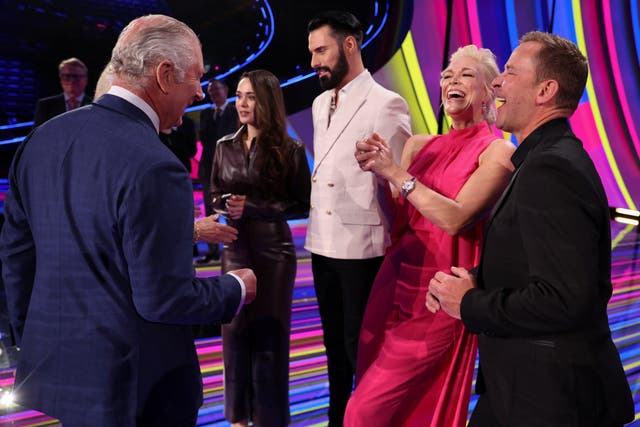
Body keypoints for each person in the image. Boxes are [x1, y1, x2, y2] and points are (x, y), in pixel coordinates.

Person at [0, 14, 257, 427]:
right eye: (196, 76)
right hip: (137, 388)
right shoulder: (157, 166)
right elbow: (165, 298)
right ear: (165, 74)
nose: (199, 91)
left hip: (61, 373)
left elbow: (17, 257)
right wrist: (236, 287)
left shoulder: (41, 140)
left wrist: (34, 340)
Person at [428, 31, 634, 427]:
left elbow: (565, 299)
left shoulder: (550, 169)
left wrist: (469, 304)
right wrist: (470, 281)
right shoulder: (544, 160)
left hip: (549, 396)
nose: (497, 83)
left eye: (509, 72)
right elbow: (537, 264)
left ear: (545, 91)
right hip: (522, 386)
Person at [343, 45, 515, 427]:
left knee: (362, 412)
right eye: (448, 75)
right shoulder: (419, 146)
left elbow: (456, 219)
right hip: (394, 286)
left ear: (488, 91)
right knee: (383, 405)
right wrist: (377, 173)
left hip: (439, 300)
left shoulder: (498, 152)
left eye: (467, 75)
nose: (453, 80)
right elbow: (397, 221)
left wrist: (395, 172)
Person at [305, 11, 412, 426]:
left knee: (362, 349)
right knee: (333, 347)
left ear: (349, 44)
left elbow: (399, 180)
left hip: (362, 248)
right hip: (322, 242)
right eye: (312, 53)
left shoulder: (387, 103)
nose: (314, 62)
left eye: (321, 51)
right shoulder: (319, 103)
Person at [210, 69, 311, 427]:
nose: (242, 103)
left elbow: (302, 204)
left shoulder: (290, 149)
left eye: (250, 96)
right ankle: (238, 417)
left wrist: (252, 207)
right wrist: (224, 204)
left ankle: (270, 419)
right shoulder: (223, 146)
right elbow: (214, 193)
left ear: (266, 100)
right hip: (235, 249)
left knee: (270, 337)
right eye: (239, 96)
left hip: (274, 252)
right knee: (234, 332)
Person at [196, 78, 238, 265]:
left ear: (226, 90)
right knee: (210, 208)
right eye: (210, 91)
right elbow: (204, 139)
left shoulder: (235, 110)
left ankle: (234, 247)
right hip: (208, 168)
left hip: (229, 167)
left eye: (216, 89)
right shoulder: (205, 113)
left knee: (230, 207)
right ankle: (213, 251)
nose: (213, 93)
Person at [33, 57, 91, 126]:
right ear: (61, 78)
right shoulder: (45, 106)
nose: (72, 81)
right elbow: (38, 132)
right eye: (67, 76)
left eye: (76, 76)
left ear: (86, 79)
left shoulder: (95, 105)